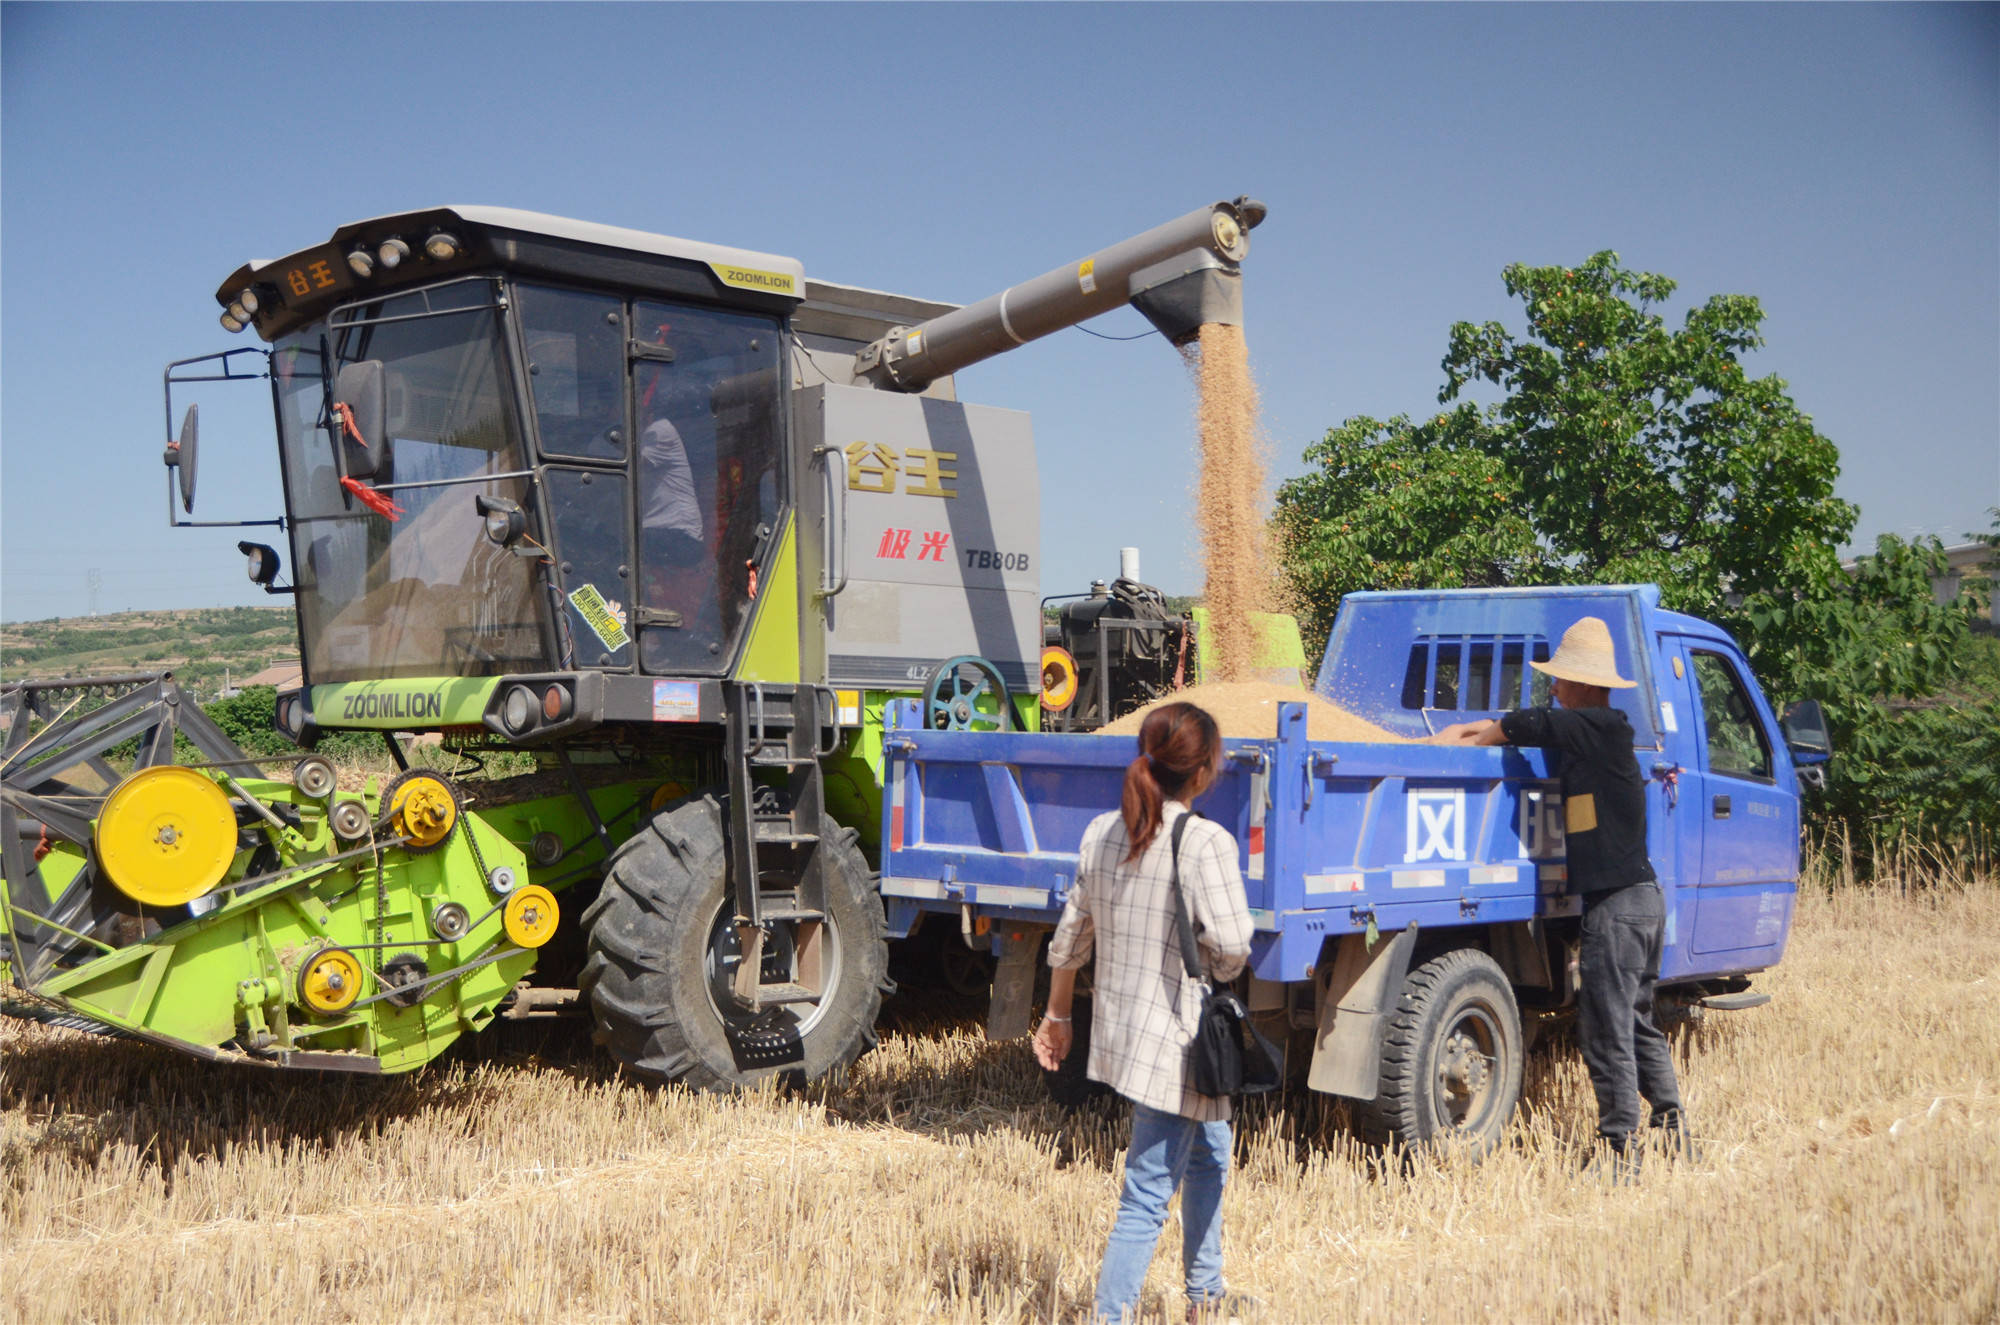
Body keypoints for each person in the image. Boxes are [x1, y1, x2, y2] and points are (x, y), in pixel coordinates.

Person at [1033, 702, 1257, 1322]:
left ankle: (1206, 1294)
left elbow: (1071, 936)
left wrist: (1058, 1016)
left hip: (1128, 1030)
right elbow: (1235, 945)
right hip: (1180, 1041)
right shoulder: (1205, 842)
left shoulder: (1103, 831)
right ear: (1206, 770)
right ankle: (1112, 1315)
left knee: (1212, 1150)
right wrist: (1217, 971)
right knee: (1147, 1193)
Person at [1435, 616, 1687, 1165]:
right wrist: (1483, 728)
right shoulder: (1600, 738)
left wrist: (1480, 735)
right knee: (1637, 1022)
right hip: (1641, 902)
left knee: (1606, 1031)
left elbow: (1530, 722)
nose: (1553, 686)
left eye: (1560, 678)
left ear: (1585, 683)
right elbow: (1537, 728)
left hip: (1619, 911)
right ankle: (1672, 1128)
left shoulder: (1597, 726)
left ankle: (1620, 1148)